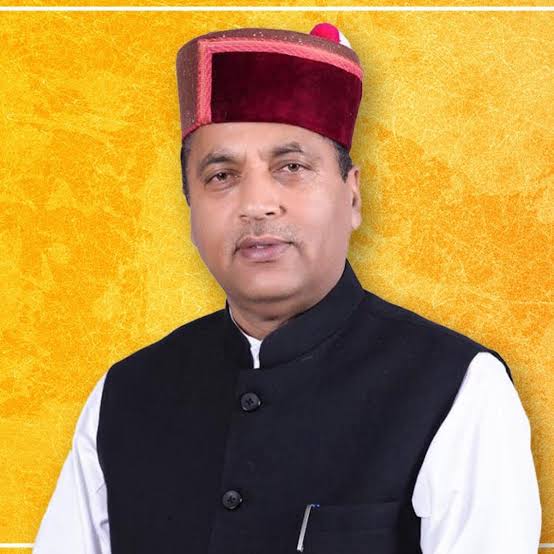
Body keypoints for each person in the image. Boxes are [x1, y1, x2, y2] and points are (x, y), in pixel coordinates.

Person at [33, 23, 541, 554]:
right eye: (221, 175)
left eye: (291, 167)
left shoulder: (458, 388)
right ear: (189, 207)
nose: (257, 204)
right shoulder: (124, 396)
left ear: (352, 196)